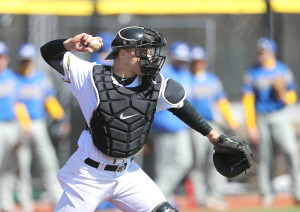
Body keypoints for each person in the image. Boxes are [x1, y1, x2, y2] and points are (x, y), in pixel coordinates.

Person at [40, 26, 232, 212]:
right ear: (123, 53)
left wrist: (213, 135)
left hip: (127, 173)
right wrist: (69, 44)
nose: (150, 56)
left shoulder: (154, 83)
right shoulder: (89, 75)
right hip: (89, 174)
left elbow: (181, 106)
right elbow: (48, 53)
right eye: (144, 51)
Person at [242, 37, 300, 207]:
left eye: (265, 51)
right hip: (262, 117)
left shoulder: (282, 70)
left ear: (272, 52)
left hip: (280, 115)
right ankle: (267, 193)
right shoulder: (252, 72)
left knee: (290, 150)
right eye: (260, 51)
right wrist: (251, 126)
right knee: (265, 157)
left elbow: (293, 95)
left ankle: (297, 191)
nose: (262, 54)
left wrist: (284, 96)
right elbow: (248, 100)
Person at [15, 43, 69, 211]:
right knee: (22, 165)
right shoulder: (14, 79)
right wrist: (24, 123)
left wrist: (60, 118)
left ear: (32, 61)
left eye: (28, 60)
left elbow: (50, 101)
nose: (26, 63)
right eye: (23, 60)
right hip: (20, 126)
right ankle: (25, 202)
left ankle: (56, 196)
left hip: (38, 124)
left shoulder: (40, 78)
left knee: (48, 161)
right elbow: (14, 105)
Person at [188, 46, 239, 210]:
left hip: (212, 125)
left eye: (200, 61)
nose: (197, 64)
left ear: (205, 62)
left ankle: (215, 196)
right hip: (194, 127)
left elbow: (221, 101)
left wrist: (232, 121)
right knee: (197, 163)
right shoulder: (186, 78)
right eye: (195, 61)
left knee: (216, 160)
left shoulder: (212, 79)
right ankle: (200, 198)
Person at [151, 41, 194, 203]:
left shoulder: (187, 75)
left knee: (184, 161)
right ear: (172, 57)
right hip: (162, 127)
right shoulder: (164, 73)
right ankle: (164, 199)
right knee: (162, 167)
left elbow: (190, 102)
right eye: (179, 58)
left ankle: (158, 195)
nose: (181, 61)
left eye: (184, 59)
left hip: (181, 127)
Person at [0, 41, 32, 212]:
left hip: (13, 126)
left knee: (15, 167)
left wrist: (25, 125)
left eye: (3, 56)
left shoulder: (13, 79)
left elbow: (19, 105)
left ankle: (14, 203)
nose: (1, 60)